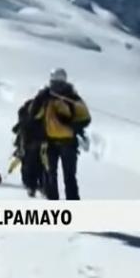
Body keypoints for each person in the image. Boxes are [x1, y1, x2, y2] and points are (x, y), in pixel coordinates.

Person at [24, 68, 91, 200]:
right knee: (51, 175)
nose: (56, 86)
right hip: (50, 143)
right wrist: (39, 99)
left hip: (68, 143)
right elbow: (33, 114)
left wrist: (71, 124)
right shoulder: (47, 99)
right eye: (53, 83)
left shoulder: (72, 98)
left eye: (57, 83)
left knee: (68, 176)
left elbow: (85, 118)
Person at [12, 98, 46, 197]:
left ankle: (31, 187)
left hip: (27, 146)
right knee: (41, 167)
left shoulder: (24, 116)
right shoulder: (43, 115)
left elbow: (18, 130)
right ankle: (43, 186)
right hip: (41, 144)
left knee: (28, 167)